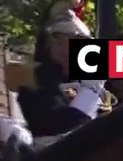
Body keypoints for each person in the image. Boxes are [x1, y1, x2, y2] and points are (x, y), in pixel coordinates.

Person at [15, 0, 109, 137]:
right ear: (52, 45)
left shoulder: (83, 79)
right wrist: (90, 91)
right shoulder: (35, 80)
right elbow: (60, 131)